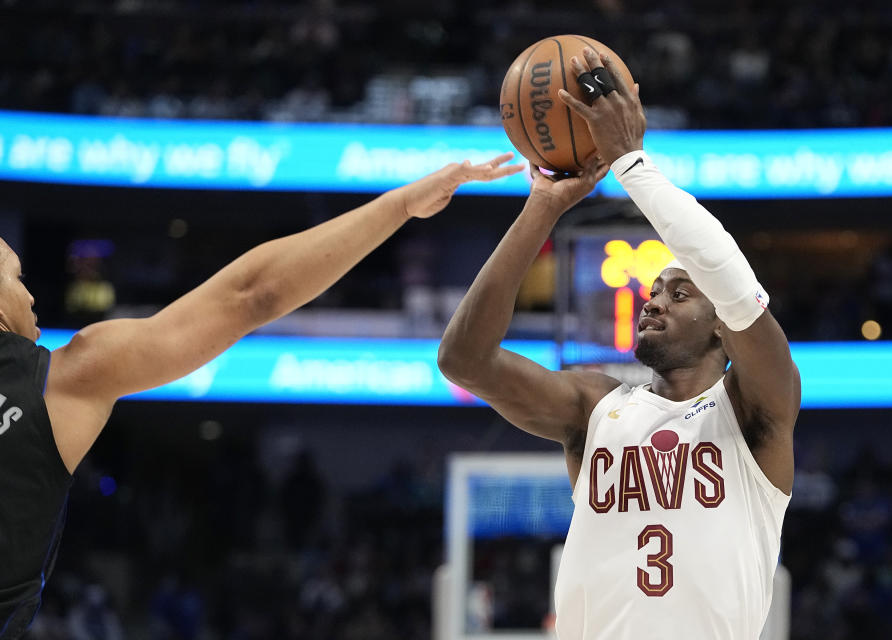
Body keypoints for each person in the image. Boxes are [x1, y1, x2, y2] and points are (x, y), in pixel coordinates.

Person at [0, 153, 522, 639]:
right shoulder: (62, 381)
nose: (30, 294)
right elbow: (251, 295)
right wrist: (400, 205)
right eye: (17, 277)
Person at [438, 48, 800, 639]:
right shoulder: (594, 407)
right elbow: (462, 360)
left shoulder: (757, 410)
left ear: (721, 327)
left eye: (680, 293)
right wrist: (542, 208)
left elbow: (736, 287)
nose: (654, 300)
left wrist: (633, 164)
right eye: (654, 290)